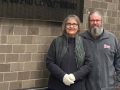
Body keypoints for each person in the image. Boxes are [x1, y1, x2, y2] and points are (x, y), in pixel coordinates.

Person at [46, 15, 92, 90]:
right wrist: (63, 76)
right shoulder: (56, 42)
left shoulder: (83, 43)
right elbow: (49, 62)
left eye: (74, 24)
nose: (71, 26)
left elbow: (88, 64)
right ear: (64, 26)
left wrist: (75, 76)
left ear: (78, 27)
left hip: (77, 86)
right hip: (56, 86)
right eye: (68, 24)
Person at [80, 11, 120, 90]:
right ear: (89, 22)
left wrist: (119, 81)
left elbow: (118, 60)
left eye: (97, 20)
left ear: (101, 22)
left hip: (109, 87)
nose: (95, 23)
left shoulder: (112, 39)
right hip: (87, 87)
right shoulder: (81, 39)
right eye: (92, 20)